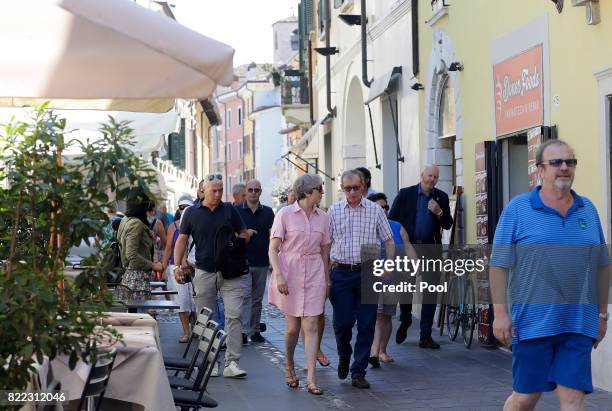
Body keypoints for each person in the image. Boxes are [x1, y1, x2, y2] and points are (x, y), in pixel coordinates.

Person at [489, 140, 609, 411]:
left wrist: (602, 315)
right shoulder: (518, 209)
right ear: (540, 170)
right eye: (556, 162)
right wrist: (500, 314)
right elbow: (498, 265)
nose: (564, 168)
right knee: (525, 399)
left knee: (572, 398)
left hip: (577, 323)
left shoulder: (587, 210)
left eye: (570, 162)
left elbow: (603, 264)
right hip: (533, 324)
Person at [173, 173, 250, 379]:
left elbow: (243, 233)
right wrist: (178, 265)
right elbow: (182, 240)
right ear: (202, 191)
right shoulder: (191, 213)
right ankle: (210, 362)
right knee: (205, 318)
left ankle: (232, 363)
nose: (217, 194)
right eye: (213, 190)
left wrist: (237, 245)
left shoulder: (230, 210)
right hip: (204, 271)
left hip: (231, 273)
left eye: (220, 190)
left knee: (234, 315)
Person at [328, 169, 395, 389]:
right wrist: (326, 273)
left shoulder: (375, 210)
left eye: (356, 188)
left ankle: (358, 371)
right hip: (341, 272)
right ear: (342, 188)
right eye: (348, 188)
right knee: (343, 323)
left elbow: (390, 241)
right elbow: (326, 244)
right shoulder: (334, 211)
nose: (352, 192)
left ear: (364, 186)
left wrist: (387, 266)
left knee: (367, 323)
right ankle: (344, 354)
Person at [268, 174, 331, 395]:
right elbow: (273, 249)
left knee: (312, 325)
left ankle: (312, 379)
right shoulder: (284, 214)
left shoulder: (323, 217)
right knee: (293, 329)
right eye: (319, 189)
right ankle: (289, 365)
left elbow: (325, 251)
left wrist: (327, 278)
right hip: (290, 272)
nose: (322, 193)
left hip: (314, 272)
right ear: (307, 192)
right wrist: (279, 276)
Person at [389, 164, 453, 349]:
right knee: (406, 288)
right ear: (422, 175)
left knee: (430, 292)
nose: (432, 179)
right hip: (409, 248)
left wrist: (439, 212)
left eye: (435, 177)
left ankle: (425, 335)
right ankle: (406, 318)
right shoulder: (405, 194)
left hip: (430, 249)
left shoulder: (441, 197)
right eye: (429, 176)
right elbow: (392, 220)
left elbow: (448, 224)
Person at [367, 192, 417, 367]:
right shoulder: (367, 227)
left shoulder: (397, 226)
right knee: (379, 313)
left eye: (386, 207)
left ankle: (382, 351)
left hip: (393, 278)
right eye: (380, 207)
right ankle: (374, 350)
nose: (384, 210)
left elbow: (408, 246)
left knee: (387, 316)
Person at [237, 179, 275, 344]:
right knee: (244, 297)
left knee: (257, 300)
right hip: (242, 261)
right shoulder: (237, 210)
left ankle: (255, 330)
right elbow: (230, 235)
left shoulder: (268, 212)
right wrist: (246, 234)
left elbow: (274, 235)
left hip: (261, 261)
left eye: (256, 190)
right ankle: (244, 332)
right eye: (250, 190)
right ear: (245, 191)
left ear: (260, 192)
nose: (253, 193)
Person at [115, 187, 163, 301]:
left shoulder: (126, 219)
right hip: (136, 279)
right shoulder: (136, 223)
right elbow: (131, 255)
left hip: (130, 277)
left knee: (133, 316)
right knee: (140, 317)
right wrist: (153, 265)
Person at [162, 195, 195, 343]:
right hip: (177, 268)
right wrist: (163, 269)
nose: (183, 210)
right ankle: (186, 332)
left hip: (193, 267)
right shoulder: (173, 226)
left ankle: (195, 329)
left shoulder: (196, 224)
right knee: (182, 301)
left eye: (187, 207)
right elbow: (168, 248)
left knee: (194, 302)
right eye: (181, 207)